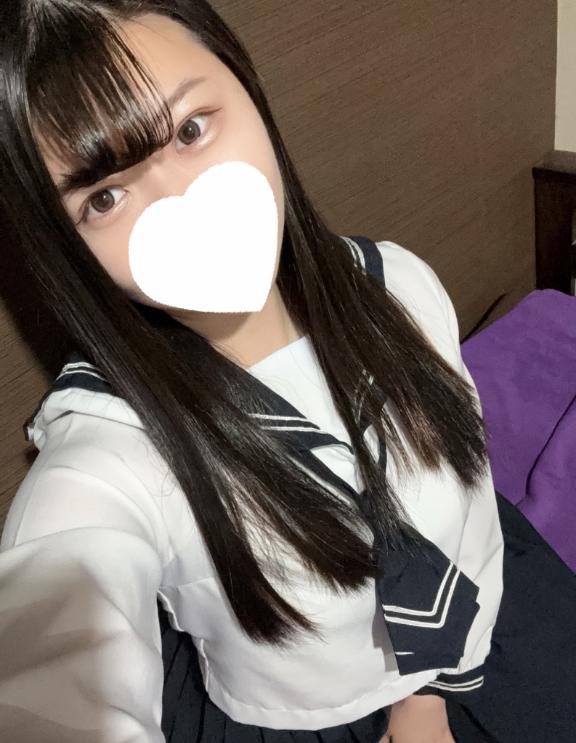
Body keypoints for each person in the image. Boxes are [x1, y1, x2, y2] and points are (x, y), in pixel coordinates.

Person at [0, 3, 575, 742]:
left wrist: (427, 690)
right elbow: (52, 660)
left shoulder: (398, 285)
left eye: (190, 130)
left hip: (483, 613)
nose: (185, 212)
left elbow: (469, 502)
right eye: (104, 198)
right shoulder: (110, 453)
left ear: (250, 92)